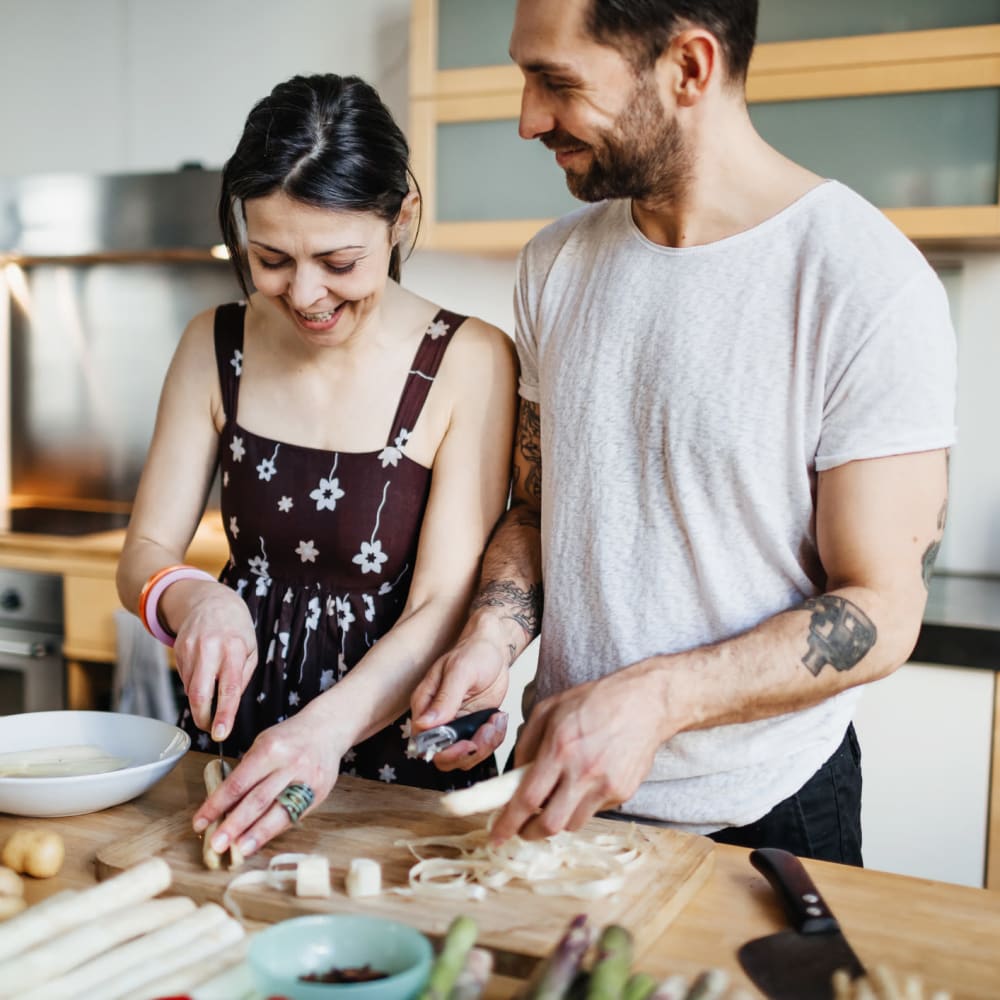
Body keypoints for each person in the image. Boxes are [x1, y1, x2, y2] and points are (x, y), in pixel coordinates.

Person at [410, 0, 955, 865]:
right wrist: (491, 637)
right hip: (565, 785)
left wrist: (654, 701)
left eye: (557, 82)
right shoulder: (555, 263)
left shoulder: (862, 282)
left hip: (769, 813)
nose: (527, 119)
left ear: (690, 69)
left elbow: (883, 609)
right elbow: (540, 509)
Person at [116, 73, 517, 858]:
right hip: (235, 750)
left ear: (400, 219)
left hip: (399, 753)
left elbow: (442, 601)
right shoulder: (213, 342)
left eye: (338, 261)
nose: (304, 295)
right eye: (270, 258)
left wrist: (322, 734)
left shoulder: (468, 359)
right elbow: (144, 555)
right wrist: (195, 601)